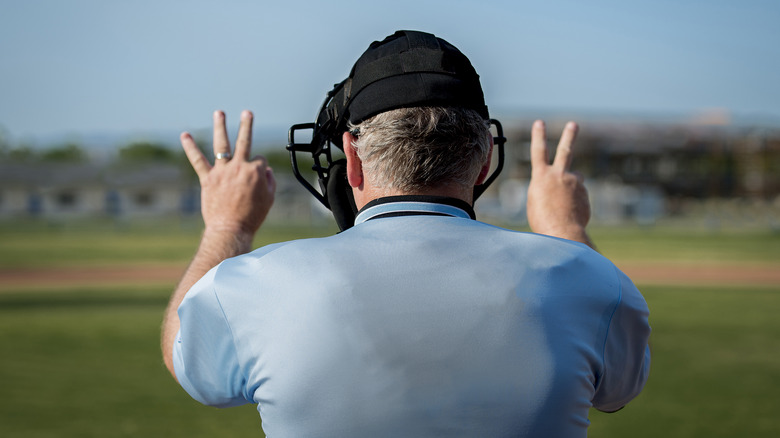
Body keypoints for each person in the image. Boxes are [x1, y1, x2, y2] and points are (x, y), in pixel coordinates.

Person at [161, 30, 650, 437]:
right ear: (483, 161)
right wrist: (567, 228)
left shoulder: (257, 283)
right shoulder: (586, 278)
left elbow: (187, 359)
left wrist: (228, 226)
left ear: (351, 159)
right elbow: (618, 391)